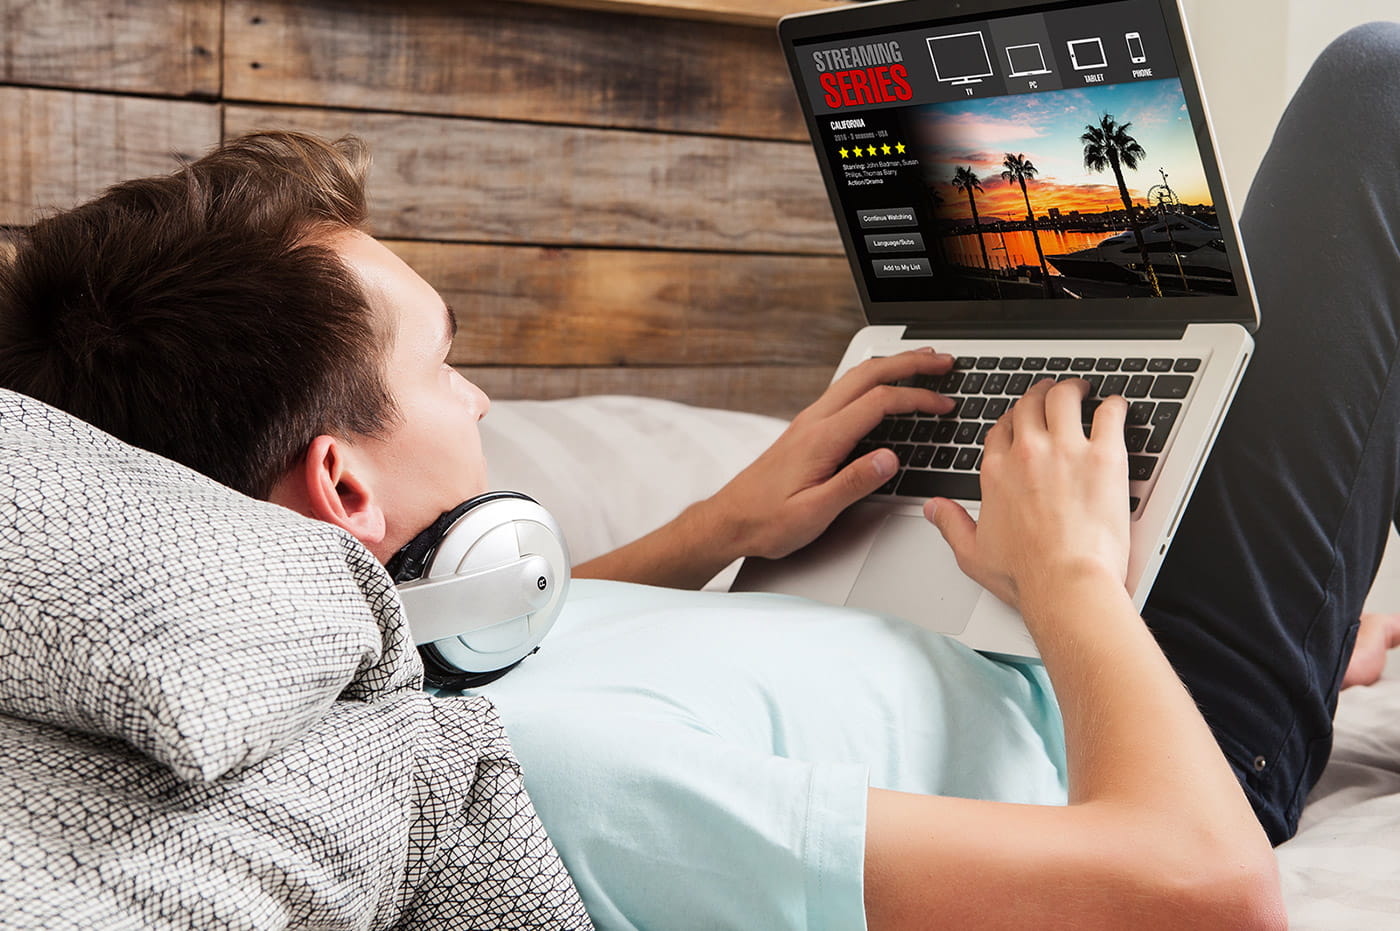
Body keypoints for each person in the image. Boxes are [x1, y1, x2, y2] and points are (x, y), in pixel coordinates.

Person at [14, 19, 1400, 928]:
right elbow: (1204, 889)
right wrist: (1078, 585)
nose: (482, 398)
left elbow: (498, 642)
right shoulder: (547, 779)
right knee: (1373, 88)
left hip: (1040, 622)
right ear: (343, 488)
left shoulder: (393, 660)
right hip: (1157, 736)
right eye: (445, 365)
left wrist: (722, 523)